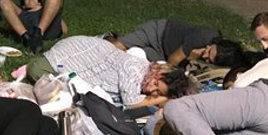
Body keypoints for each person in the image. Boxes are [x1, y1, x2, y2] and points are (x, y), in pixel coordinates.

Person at [26, 36, 195, 108]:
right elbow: (131, 103)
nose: (151, 90)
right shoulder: (134, 69)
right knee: (54, 92)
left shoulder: (145, 70)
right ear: (157, 72)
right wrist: (163, 98)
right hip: (58, 60)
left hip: (79, 51)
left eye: (157, 91)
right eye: (156, 84)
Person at [106, 18, 245, 67]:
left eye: (209, 60)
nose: (205, 56)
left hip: (163, 53)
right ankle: (107, 40)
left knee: (131, 56)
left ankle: (113, 37)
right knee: (116, 48)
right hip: (159, 32)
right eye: (209, 51)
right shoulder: (203, 36)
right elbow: (173, 61)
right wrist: (190, 59)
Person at [0, 0, 68, 53]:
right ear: (24, 6)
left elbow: (64, 29)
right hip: (29, 34)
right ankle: (26, 38)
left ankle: (38, 33)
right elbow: (7, 25)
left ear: (39, 3)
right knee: (3, 1)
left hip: (48, 29)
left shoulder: (46, 9)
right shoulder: (22, 13)